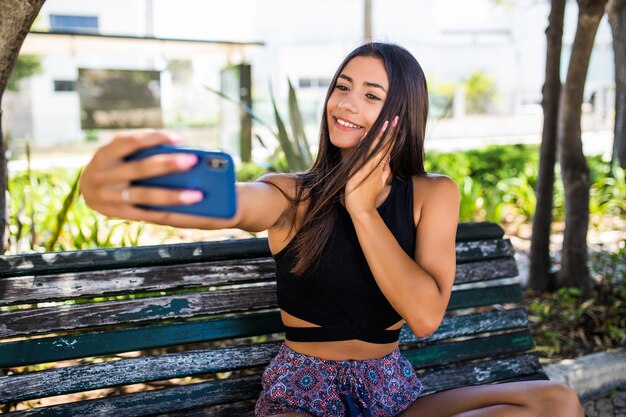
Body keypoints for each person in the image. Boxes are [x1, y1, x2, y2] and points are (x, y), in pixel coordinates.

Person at [80, 42, 584, 417]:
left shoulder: (433, 194)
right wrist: (133, 193)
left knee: (555, 403)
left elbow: (426, 315)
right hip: (302, 393)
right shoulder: (292, 194)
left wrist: (363, 210)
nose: (346, 104)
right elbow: (236, 203)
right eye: (342, 87)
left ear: (401, 115)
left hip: (390, 390)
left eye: (370, 95)